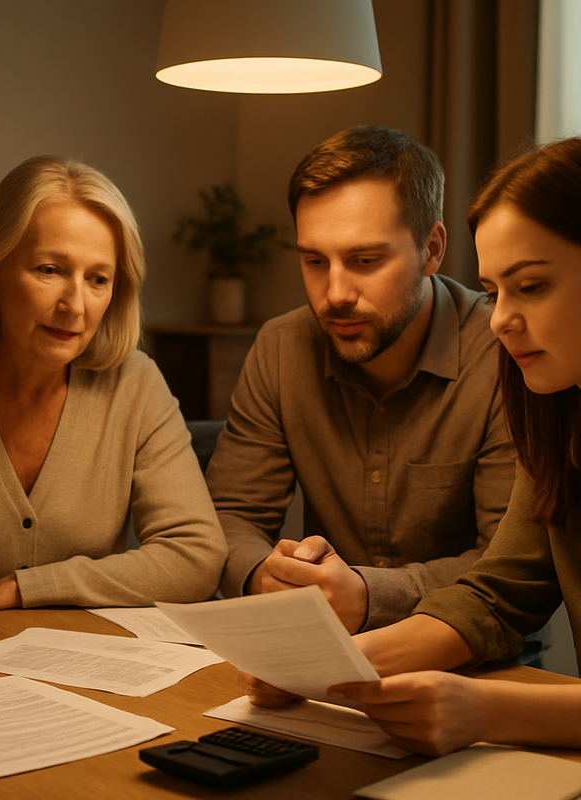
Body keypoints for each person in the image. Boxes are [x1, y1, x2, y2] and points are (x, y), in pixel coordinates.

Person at [246, 136, 581, 755]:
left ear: (430, 250)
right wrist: (330, 666)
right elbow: (499, 591)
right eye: (495, 289)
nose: (502, 317)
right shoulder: (554, 407)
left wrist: (485, 710)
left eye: (531, 287)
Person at [206, 126, 516, 634]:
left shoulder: (505, 353)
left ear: (432, 250)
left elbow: (508, 563)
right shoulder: (282, 347)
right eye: (313, 261)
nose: (335, 293)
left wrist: (368, 595)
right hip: (321, 652)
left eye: (365, 260)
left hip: (479, 666)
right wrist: (267, 574)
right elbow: (228, 516)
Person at [0, 156, 227, 612]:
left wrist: (30, 588)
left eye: (97, 279)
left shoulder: (135, 385)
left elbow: (196, 556)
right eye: (50, 270)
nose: (75, 305)